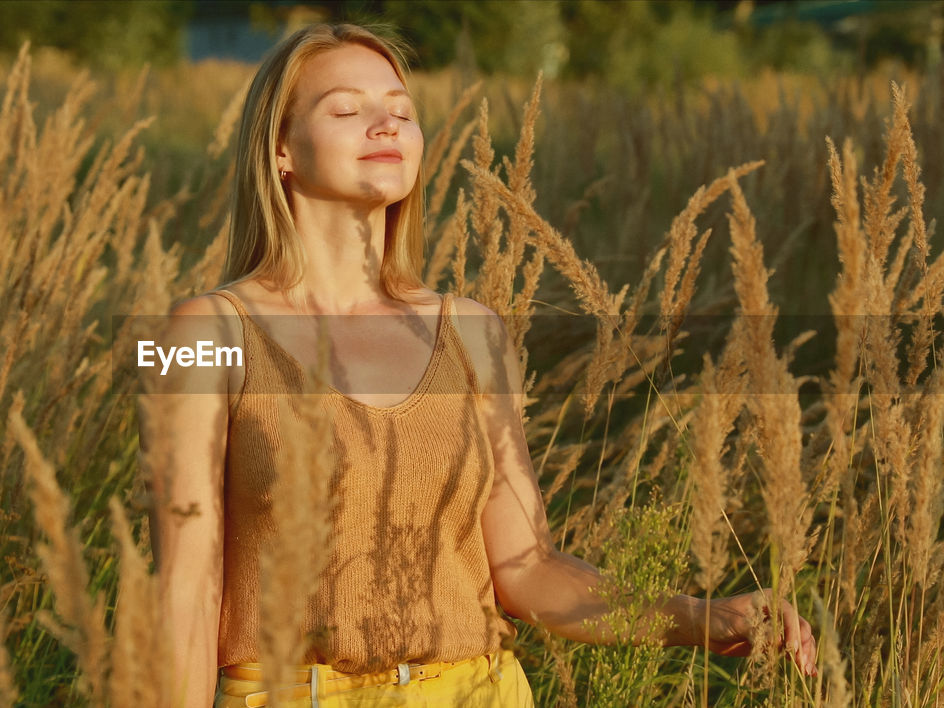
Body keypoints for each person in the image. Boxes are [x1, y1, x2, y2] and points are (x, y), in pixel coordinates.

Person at [140, 22, 817, 708]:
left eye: (402, 111)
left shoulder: (471, 333)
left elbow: (530, 571)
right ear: (280, 149)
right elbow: (186, 593)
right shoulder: (201, 331)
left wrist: (700, 618)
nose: (386, 125)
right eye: (347, 110)